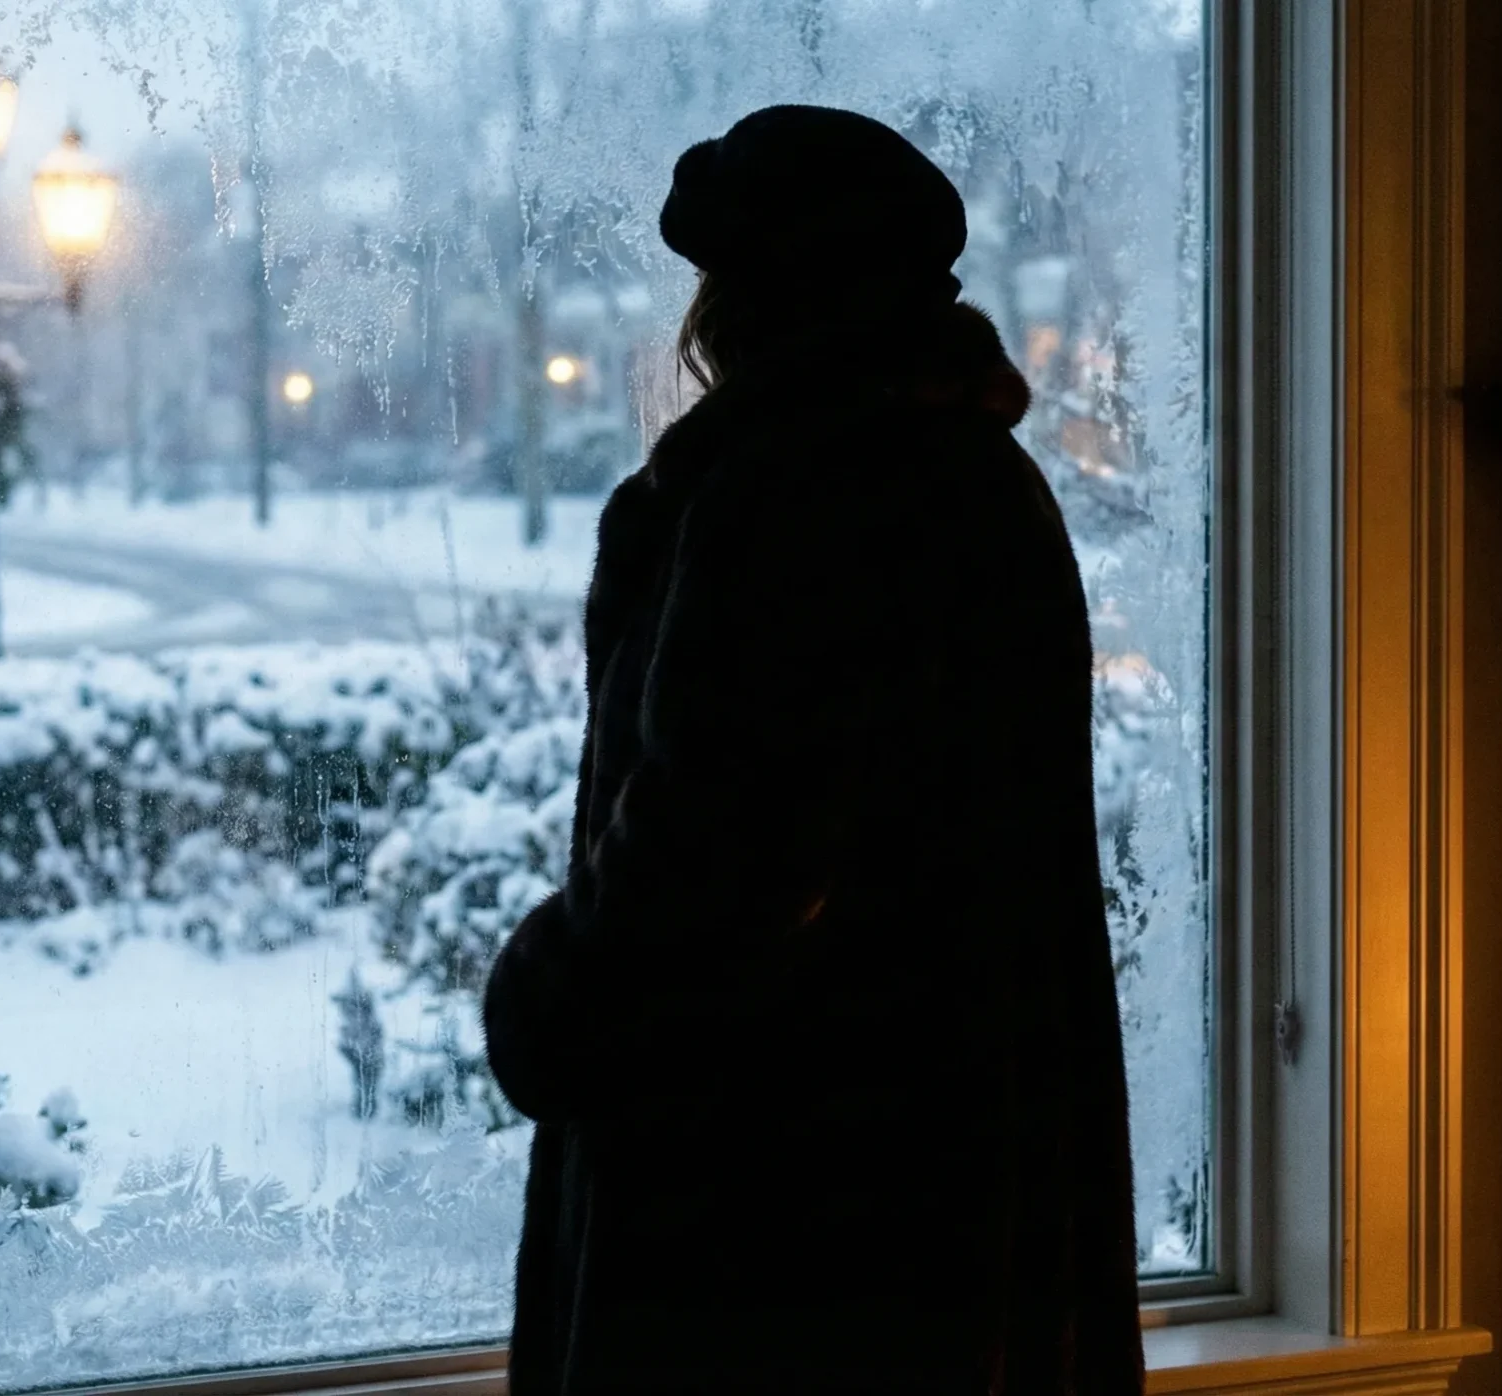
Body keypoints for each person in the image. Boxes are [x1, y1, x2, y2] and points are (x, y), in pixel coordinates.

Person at [482, 104, 1145, 1396]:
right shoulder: (985, 480)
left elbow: (718, 858)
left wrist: (548, 996)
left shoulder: (783, 498)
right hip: (949, 1199)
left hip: (773, 1224)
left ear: (744, 302)